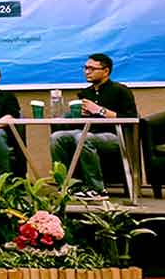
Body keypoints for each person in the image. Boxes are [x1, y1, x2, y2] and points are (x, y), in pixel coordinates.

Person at [50, 53, 138, 199]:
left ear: (106, 71)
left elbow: (131, 118)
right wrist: (79, 114)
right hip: (89, 132)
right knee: (57, 137)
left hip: (116, 136)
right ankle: (68, 185)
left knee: (83, 137)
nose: (87, 72)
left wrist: (99, 110)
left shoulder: (121, 90)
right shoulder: (86, 93)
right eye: (85, 68)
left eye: (92, 69)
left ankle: (97, 189)